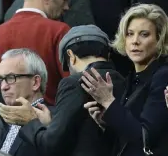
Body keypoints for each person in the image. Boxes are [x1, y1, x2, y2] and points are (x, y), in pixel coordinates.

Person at [9, 25, 125, 156]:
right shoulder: (126, 82)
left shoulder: (73, 83)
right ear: (108, 54)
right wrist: (50, 124)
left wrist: (30, 120)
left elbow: (51, 146)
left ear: (71, 55)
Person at [82, 4, 168, 156]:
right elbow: (124, 140)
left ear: (159, 38)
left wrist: (108, 101)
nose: (135, 41)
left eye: (144, 34)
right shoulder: (131, 79)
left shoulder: (164, 77)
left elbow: (144, 138)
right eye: (129, 34)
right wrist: (104, 123)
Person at [0, 0, 71, 105]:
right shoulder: (59, 31)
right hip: (50, 117)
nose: (66, 7)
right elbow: (72, 86)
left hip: (3, 118)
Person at [0, 48, 53, 156]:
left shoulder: (54, 120)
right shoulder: (3, 123)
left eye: (11, 78)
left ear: (35, 82)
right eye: (1, 80)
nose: (3, 87)